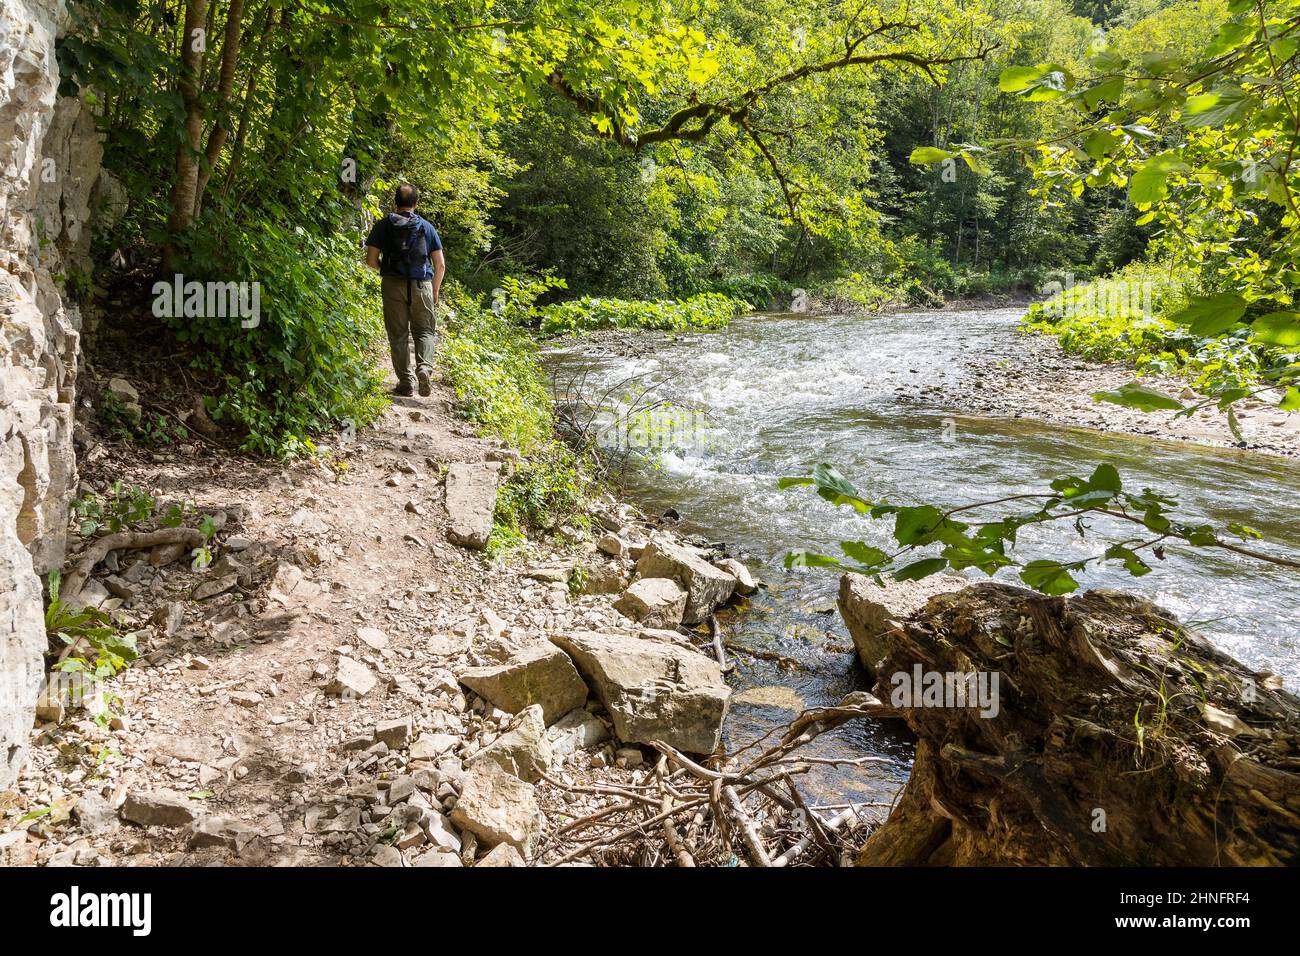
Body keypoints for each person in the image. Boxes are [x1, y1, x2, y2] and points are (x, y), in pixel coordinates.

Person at [365, 184, 445, 396]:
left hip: (392, 284)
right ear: (416, 204)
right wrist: (434, 291)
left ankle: (406, 383)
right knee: (425, 331)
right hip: (422, 285)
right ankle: (424, 368)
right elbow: (440, 265)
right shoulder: (426, 227)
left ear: (395, 203)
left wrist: (389, 270)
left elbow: (371, 260)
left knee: (398, 335)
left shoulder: (383, 226)